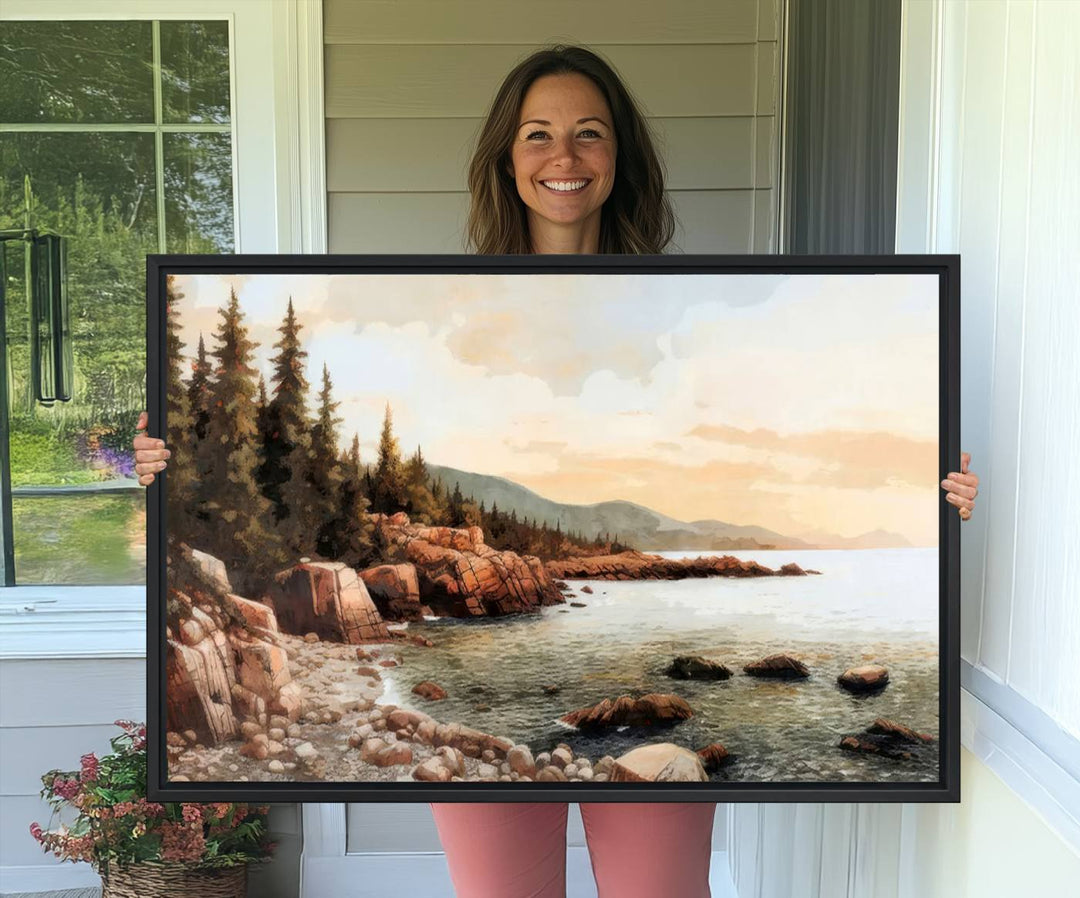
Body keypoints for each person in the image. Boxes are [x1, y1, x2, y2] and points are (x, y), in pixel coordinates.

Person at [133, 44, 979, 898]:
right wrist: (171, 467)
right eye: (538, 134)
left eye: (589, 134)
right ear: (507, 158)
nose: (563, 157)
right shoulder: (432, 298)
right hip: (470, 717)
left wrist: (931, 490)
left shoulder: (685, 297)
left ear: (620, 159)